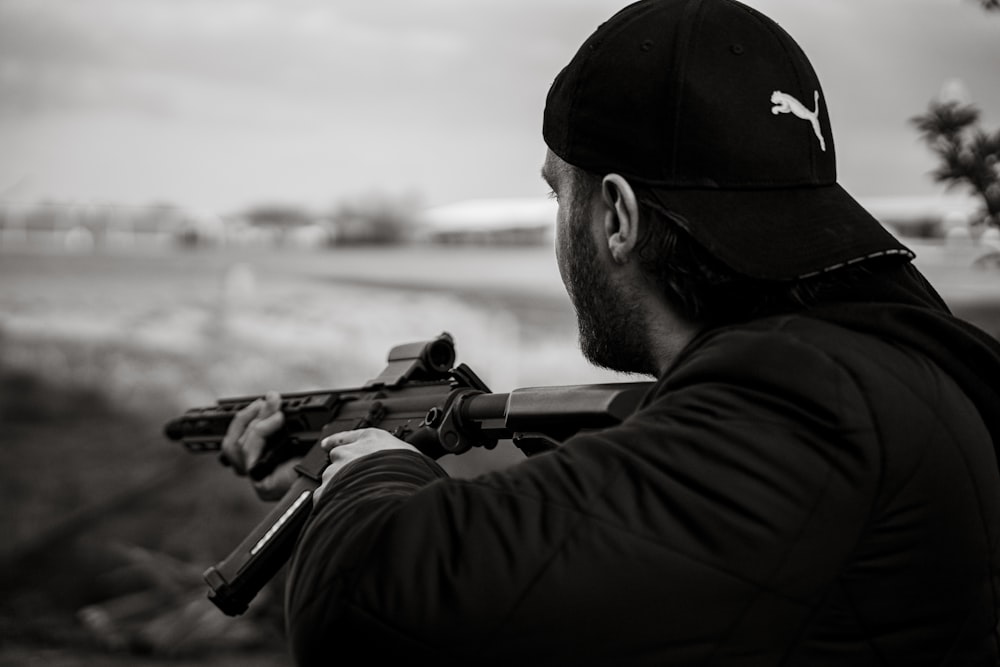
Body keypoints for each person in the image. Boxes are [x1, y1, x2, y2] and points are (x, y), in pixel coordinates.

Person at [222, 0, 1000, 663]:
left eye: (559, 195)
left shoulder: (806, 403)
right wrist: (339, 460)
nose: (558, 228)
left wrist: (366, 472)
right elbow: (640, 527)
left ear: (617, 217)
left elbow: (369, 609)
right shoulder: (883, 362)